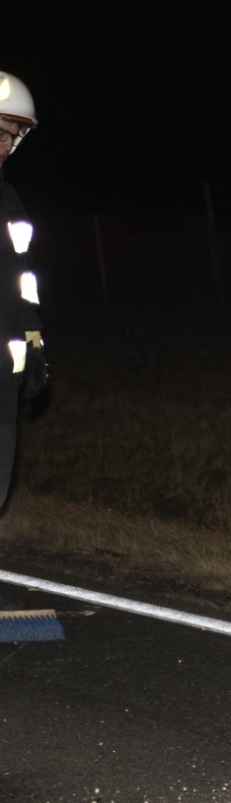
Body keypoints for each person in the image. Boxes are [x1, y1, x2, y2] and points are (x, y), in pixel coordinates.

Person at [0, 70, 46, 511]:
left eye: (11, 136)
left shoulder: (10, 200)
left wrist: (33, 343)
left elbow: (23, 279)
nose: (5, 145)